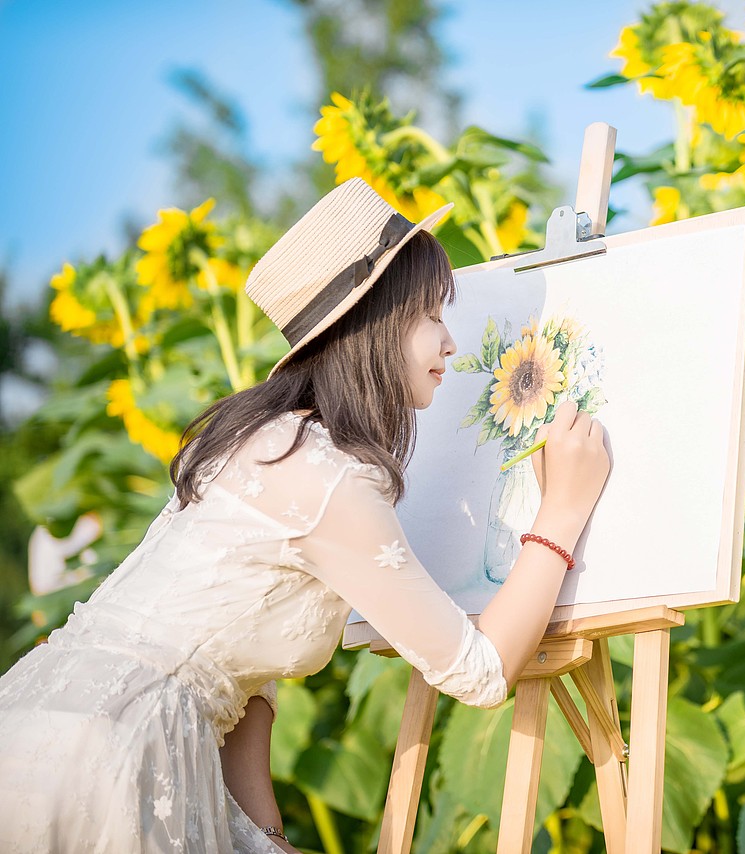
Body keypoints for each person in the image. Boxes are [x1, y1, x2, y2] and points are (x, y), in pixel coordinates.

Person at [0, 178, 612, 853]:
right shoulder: (327, 478)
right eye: (431, 315)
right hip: (116, 756)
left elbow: (240, 677)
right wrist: (562, 509)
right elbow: (480, 670)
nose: (450, 344)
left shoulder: (250, 437)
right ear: (373, 324)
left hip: (36, 722)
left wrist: (265, 838)